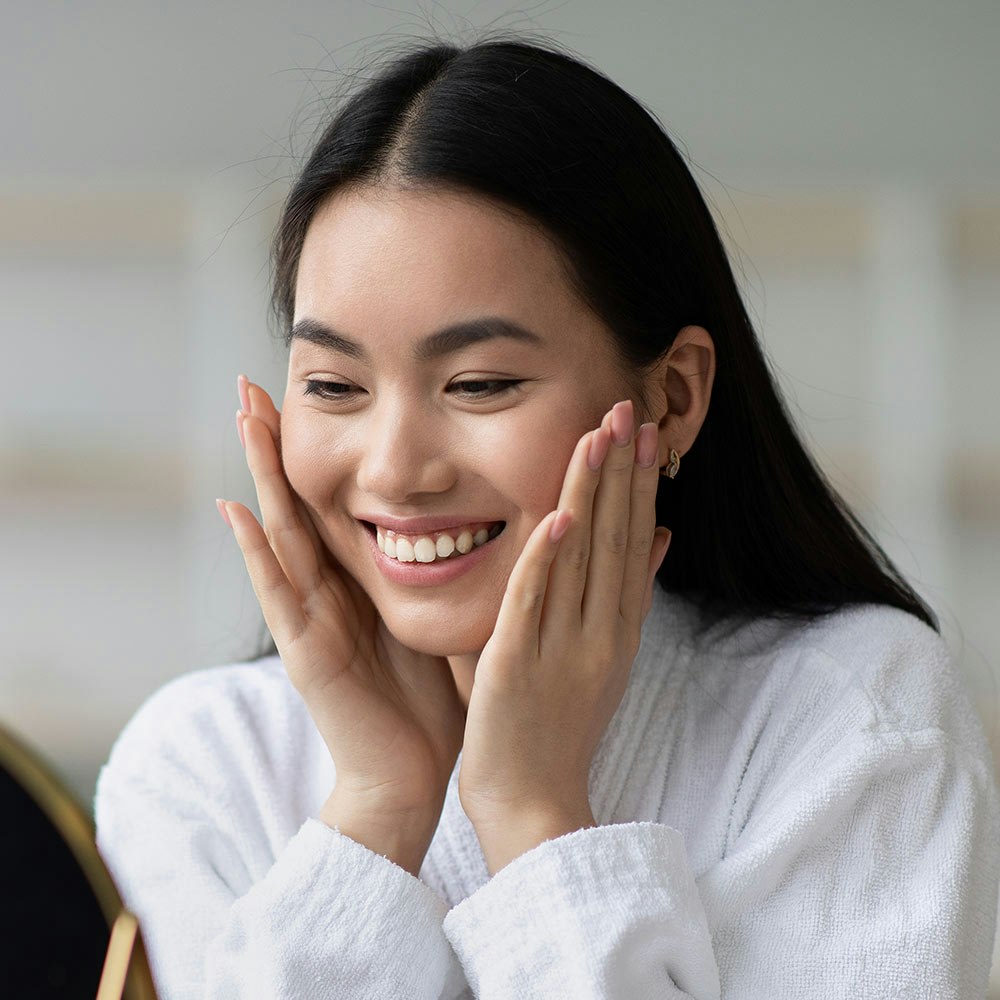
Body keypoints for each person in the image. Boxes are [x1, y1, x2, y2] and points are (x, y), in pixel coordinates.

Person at [94, 33, 999, 1000]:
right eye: (334, 383)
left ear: (675, 397)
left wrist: (531, 812)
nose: (395, 470)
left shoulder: (852, 719)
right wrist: (378, 808)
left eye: (480, 383)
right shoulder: (198, 767)